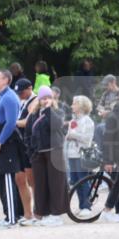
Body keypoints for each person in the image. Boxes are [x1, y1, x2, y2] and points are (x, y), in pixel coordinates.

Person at [27, 86, 69, 226]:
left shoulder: (58, 112)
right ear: (39, 99)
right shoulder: (34, 114)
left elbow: (56, 125)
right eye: (43, 98)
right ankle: (42, 213)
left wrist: (49, 110)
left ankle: (56, 214)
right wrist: (31, 152)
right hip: (39, 154)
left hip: (54, 151)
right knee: (40, 185)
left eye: (48, 97)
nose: (46, 100)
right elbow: (29, 134)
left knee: (56, 183)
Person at [0, 69, 24, 228]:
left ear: (6, 80)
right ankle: (8, 215)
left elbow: (10, 123)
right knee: (1, 180)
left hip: (6, 144)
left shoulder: (9, 97)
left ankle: (12, 218)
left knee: (8, 180)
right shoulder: (2, 97)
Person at [64, 95, 95, 215]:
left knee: (83, 179)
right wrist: (70, 135)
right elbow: (68, 136)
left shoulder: (88, 121)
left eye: (74, 103)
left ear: (81, 106)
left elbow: (87, 139)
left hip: (82, 154)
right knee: (76, 181)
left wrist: (73, 135)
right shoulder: (73, 120)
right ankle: (82, 205)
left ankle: (87, 206)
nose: (72, 106)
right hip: (72, 154)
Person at [13, 78, 37, 225]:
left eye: (22, 92)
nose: (20, 95)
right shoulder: (21, 101)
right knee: (20, 180)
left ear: (30, 88)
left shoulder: (35, 101)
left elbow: (27, 121)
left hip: (29, 144)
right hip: (19, 145)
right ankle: (27, 213)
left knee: (32, 180)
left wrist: (11, 123)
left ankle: (37, 212)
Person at [100, 101, 119, 222]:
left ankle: (117, 212)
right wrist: (108, 161)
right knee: (118, 183)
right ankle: (107, 209)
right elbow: (108, 140)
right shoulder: (113, 117)